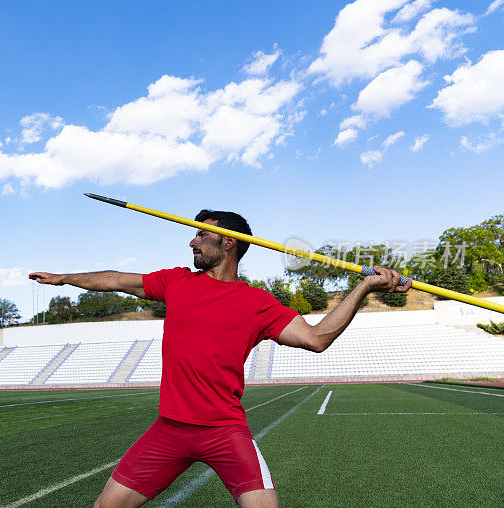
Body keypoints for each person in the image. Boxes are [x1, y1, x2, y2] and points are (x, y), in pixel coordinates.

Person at [28, 209, 411, 507]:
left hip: (225, 432)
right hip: (169, 430)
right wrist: (63, 279)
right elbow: (114, 279)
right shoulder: (175, 282)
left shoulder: (257, 303)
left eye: (201, 234)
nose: (192, 242)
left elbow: (316, 339)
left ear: (229, 243)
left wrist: (365, 287)